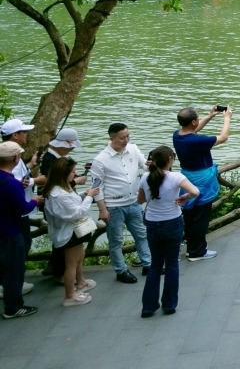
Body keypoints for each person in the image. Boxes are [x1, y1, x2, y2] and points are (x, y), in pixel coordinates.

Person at [137, 146, 197, 317]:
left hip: (152, 223)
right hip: (173, 222)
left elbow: (140, 200)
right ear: (170, 159)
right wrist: (185, 197)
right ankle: (169, 304)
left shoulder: (145, 177)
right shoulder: (176, 177)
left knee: (155, 265)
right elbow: (195, 191)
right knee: (172, 264)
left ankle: (148, 306)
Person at [91, 123, 151, 284]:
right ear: (111, 138)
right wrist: (102, 209)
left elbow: (145, 165)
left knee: (141, 234)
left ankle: (148, 264)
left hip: (133, 202)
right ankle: (121, 270)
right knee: (116, 240)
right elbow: (97, 187)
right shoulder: (100, 160)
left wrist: (151, 165)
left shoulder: (133, 149)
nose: (126, 140)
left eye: (127, 136)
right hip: (114, 205)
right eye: (122, 137)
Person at [173, 105, 231, 261]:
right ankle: (197, 252)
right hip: (202, 180)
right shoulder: (197, 141)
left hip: (187, 178)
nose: (199, 119)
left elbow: (193, 130)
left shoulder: (177, 136)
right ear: (193, 121)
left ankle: (192, 247)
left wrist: (210, 116)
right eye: (198, 118)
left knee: (190, 215)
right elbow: (223, 137)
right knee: (201, 217)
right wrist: (227, 118)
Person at [42, 157, 102, 307]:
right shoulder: (58, 194)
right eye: (73, 172)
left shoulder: (62, 187)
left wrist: (84, 193)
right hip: (69, 231)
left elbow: (73, 200)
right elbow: (77, 213)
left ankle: (80, 281)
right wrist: (90, 196)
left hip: (76, 228)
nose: (75, 175)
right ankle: (70, 295)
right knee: (71, 263)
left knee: (79, 255)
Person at [38, 127, 82, 283]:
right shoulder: (50, 159)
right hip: (57, 202)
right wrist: (75, 181)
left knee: (64, 239)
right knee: (63, 239)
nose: (72, 148)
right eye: (71, 145)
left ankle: (58, 268)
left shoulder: (52, 157)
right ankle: (60, 272)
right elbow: (54, 180)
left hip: (60, 200)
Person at [0, 141, 37, 319]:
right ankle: (13, 307)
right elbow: (23, 209)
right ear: (15, 158)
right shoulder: (12, 184)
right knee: (14, 271)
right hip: (10, 233)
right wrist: (35, 200)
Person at [0, 119, 37, 274]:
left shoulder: (9, 154)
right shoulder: (11, 154)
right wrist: (37, 181)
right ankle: (12, 280)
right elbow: (14, 182)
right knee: (22, 244)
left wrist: (30, 166)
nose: (26, 135)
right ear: (15, 135)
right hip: (18, 211)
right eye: (24, 132)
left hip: (16, 210)